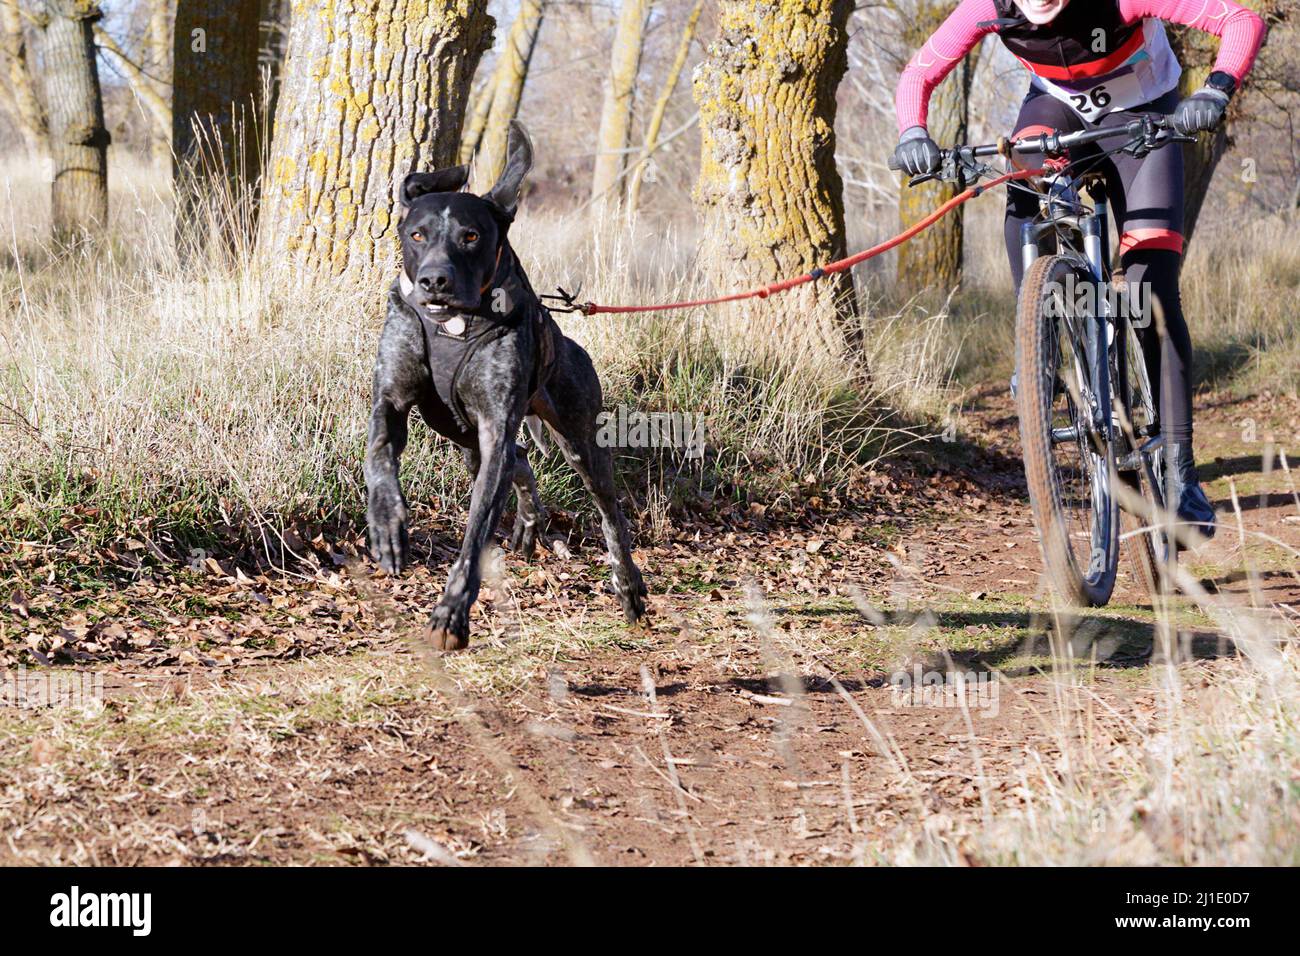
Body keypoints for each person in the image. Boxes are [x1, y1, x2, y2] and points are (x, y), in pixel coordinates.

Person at [892, 0, 1268, 538]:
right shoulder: (985, 6)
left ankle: (1181, 472)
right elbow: (919, 74)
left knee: (1149, 289)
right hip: (1057, 109)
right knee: (1022, 177)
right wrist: (913, 132)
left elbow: (1240, 20)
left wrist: (1215, 88)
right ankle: (1039, 339)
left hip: (1145, 116)